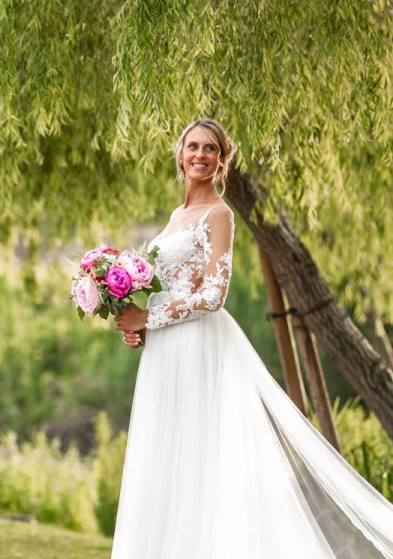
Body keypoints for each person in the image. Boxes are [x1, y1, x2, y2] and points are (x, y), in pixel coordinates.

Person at [110, 118, 393, 558]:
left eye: (210, 149)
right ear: (180, 154)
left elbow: (213, 295)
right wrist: (142, 328)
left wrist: (150, 314)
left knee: (199, 455)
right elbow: (173, 285)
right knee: (167, 456)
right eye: (193, 147)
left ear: (222, 161)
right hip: (165, 352)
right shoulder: (176, 216)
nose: (199, 155)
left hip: (199, 347)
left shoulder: (218, 214)